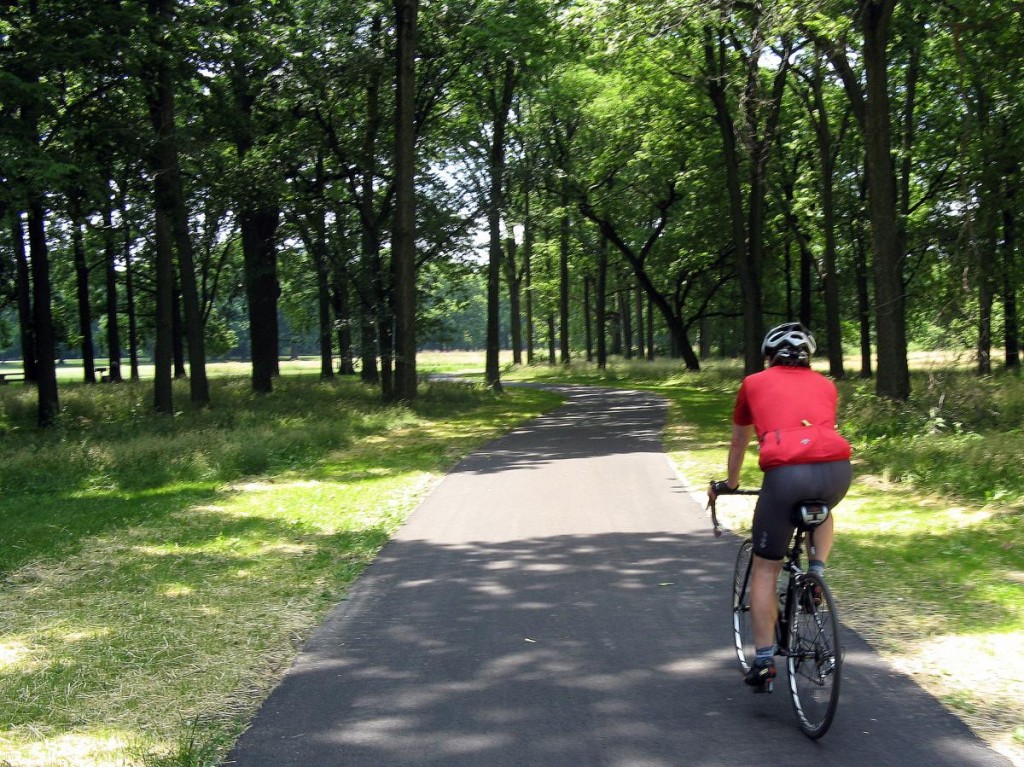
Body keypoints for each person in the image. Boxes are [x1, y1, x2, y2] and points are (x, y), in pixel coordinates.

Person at [708, 322, 852, 691]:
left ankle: (764, 659)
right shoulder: (826, 385)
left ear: (768, 357)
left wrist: (730, 484)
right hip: (837, 474)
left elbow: (740, 441)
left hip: (786, 477)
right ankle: (816, 572)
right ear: (808, 358)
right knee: (821, 507)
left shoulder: (754, 383)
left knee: (766, 570)